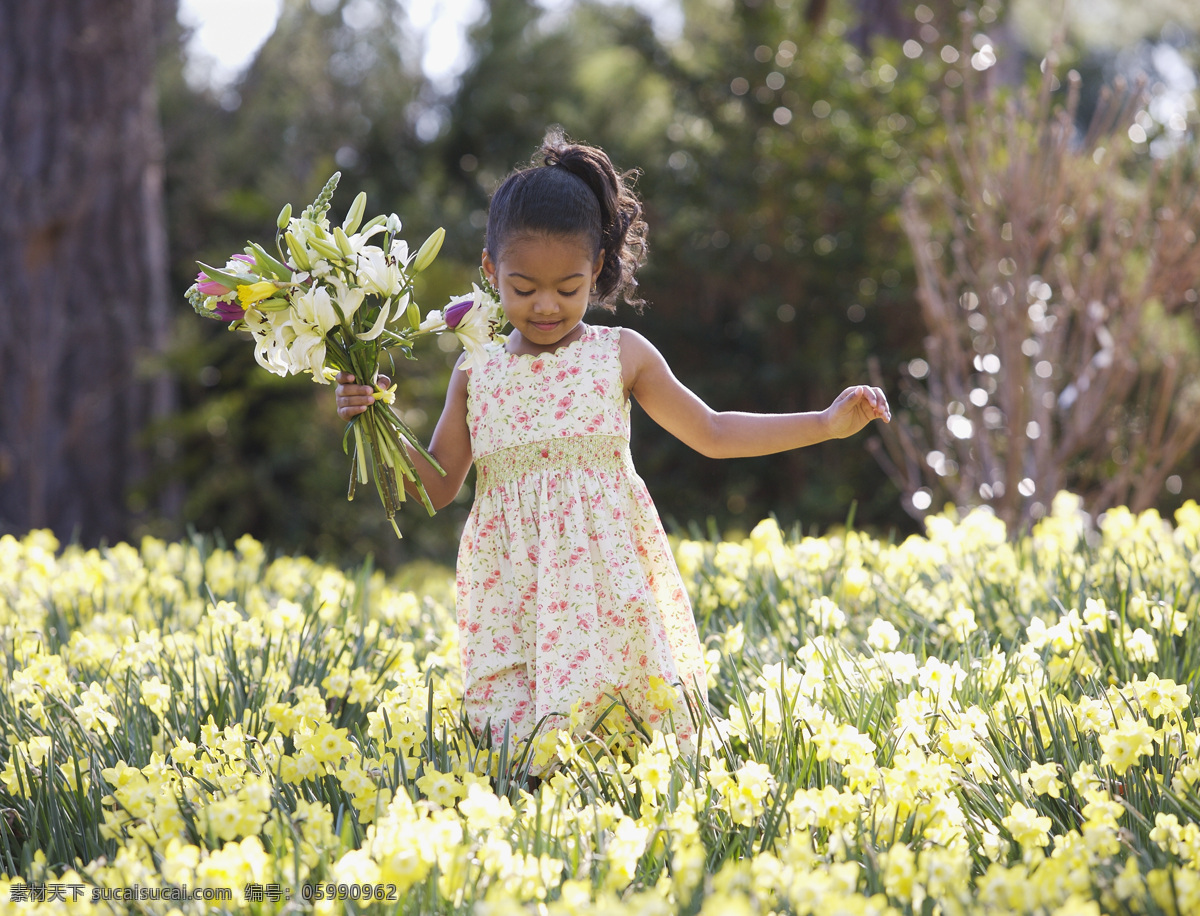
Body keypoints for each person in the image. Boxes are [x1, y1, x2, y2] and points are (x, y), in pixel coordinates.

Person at [335, 130, 890, 767]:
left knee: (622, 752)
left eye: (568, 289)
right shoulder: (476, 368)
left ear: (596, 269)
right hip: (512, 591)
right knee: (523, 768)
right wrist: (375, 422)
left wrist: (823, 422)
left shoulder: (618, 354)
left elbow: (711, 433)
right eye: (523, 288)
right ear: (491, 271)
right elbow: (434, 488)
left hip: (606, 585)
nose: (546, 305)